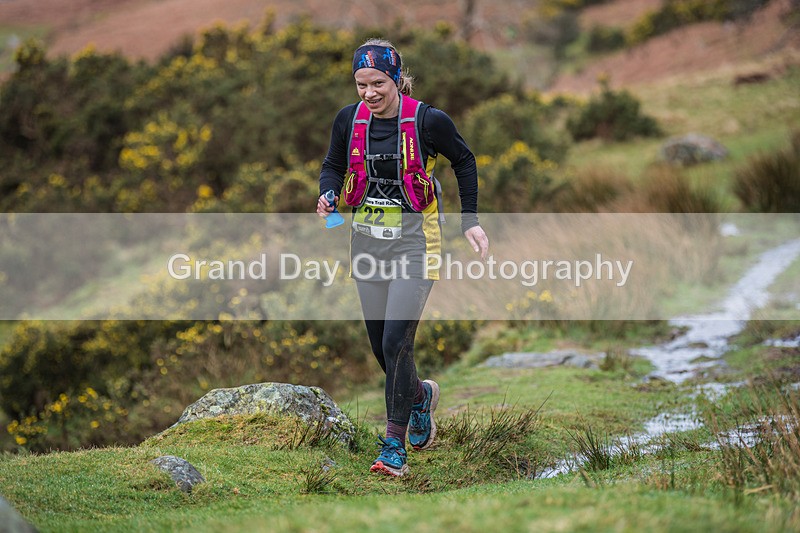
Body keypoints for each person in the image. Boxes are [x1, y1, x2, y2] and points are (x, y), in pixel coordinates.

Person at [316, 38, 489, 477]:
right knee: (380, 347)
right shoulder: (347, 120)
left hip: (417, 243)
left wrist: (470, 220)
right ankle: (419, 398)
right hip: (368, 244)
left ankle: (393, 447)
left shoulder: (429, 121)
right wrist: (328, 193)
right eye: (361, 84)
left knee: (397, 343)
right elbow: (333, 165)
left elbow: (464, 161)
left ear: (395, 78)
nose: (369, 93)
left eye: (377, 83)